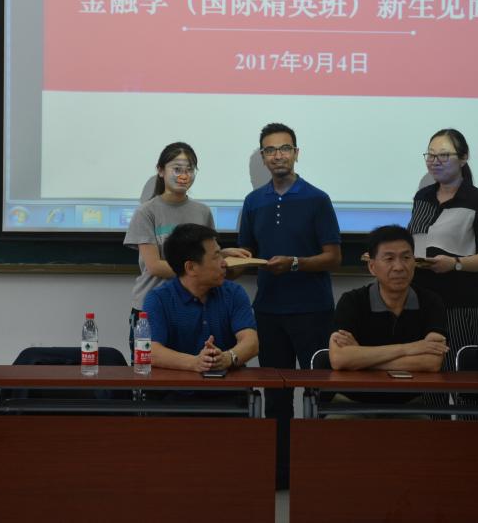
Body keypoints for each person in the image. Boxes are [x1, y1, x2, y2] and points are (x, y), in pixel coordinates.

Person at [238, 122, 341, 489]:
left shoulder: (317, 198)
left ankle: (316, 474)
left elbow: (334, 257)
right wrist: (232, 260)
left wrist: (295, 263)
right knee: (276, 397)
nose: (277, 155)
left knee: (319, 394)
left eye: (284, 148)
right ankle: (279, 474)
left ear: (297, 153)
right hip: (268, 311)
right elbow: (247, 254)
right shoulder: (253, 201)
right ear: (263, 157)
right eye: (270, 150)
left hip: (313, 310)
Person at [124, 142, 249, 358]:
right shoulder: (146, 212)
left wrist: (222, 254)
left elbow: (203, 254)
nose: (184, 175)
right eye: (177, 169)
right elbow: (155, 266)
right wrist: (201, 269)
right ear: (161, 171)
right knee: (150, 369)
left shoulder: (202, 211)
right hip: (152, 304)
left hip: (196, 303)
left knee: (200, 366)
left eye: (190, 169)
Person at [406, 128, 478, 364]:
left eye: (444, 155)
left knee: (459, 373)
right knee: (424, 372)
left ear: (463, 158)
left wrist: (455, 264)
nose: (434, 161)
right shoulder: (423, 196)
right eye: (430, 155)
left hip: (461, 303)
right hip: (421, 299)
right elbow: (417, 241)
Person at [330, 225, 449, 374]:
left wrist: (361, 358)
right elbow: (339, 359)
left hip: (413, 389)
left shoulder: (431, 302)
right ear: (372, 266)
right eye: (389, 259)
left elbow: (432, 362)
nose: (399, 267)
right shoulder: (352, 301)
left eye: (406, 258)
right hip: (360, 389)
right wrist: (409, 348)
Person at [143, 223, 258, 372]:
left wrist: (228, 357)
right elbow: (150, 351)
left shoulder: (234, 293)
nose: (224, 263)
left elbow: (251, 342)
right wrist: (195, 362)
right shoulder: (158, 299)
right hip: (177, 385)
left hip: (228, 383)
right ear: (191, 267)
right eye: (216, 257)